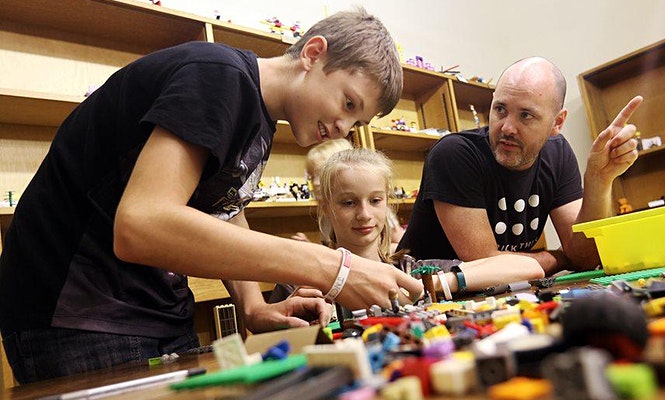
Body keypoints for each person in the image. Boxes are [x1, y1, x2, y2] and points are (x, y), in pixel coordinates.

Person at [0, 8, 422, 383]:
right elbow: (142, 224)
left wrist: (253, 306)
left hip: (150, 314)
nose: (343, 127)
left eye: (356, 120)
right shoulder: (218, 76)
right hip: (82, 317)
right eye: (348, 102)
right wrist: (335, 266)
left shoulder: (256, 118)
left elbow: (223, 208)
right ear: (313, 54)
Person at [398, 57, 643, 275]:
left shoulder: (557, 153)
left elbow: (585, 257)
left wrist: (599, 181)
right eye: (500, 109)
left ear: (557, 122)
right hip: (423, 298)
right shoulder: (454, 154)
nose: (506, 128)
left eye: (526, 115)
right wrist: (558, 257)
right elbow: (486, 264)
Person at [272, 148, 544, 304]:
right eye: (348, 203)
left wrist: (438, 283)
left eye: (375, 200)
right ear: (326, 207)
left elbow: (531, 267)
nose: (365, 214)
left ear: (387, 202)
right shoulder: (300, 280)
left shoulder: (412, 269)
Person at [290, 138, 405, 248]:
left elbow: (400, 244)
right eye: (311, 176)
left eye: (320, 174)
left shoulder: (377, 212)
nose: (315, 182)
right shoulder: (326, 214)